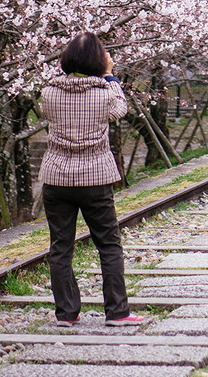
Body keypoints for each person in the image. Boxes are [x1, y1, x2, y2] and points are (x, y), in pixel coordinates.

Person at [39, 32, 143, 328]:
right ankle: (117, 312)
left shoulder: (49, 93)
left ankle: (66, 314)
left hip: (57, 179)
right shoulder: (104, 94)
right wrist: (110, 76)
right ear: (99, 62)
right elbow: (120, 110)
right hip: (95, 179)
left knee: (60, 246)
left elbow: (49, 113)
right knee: (108, 244)